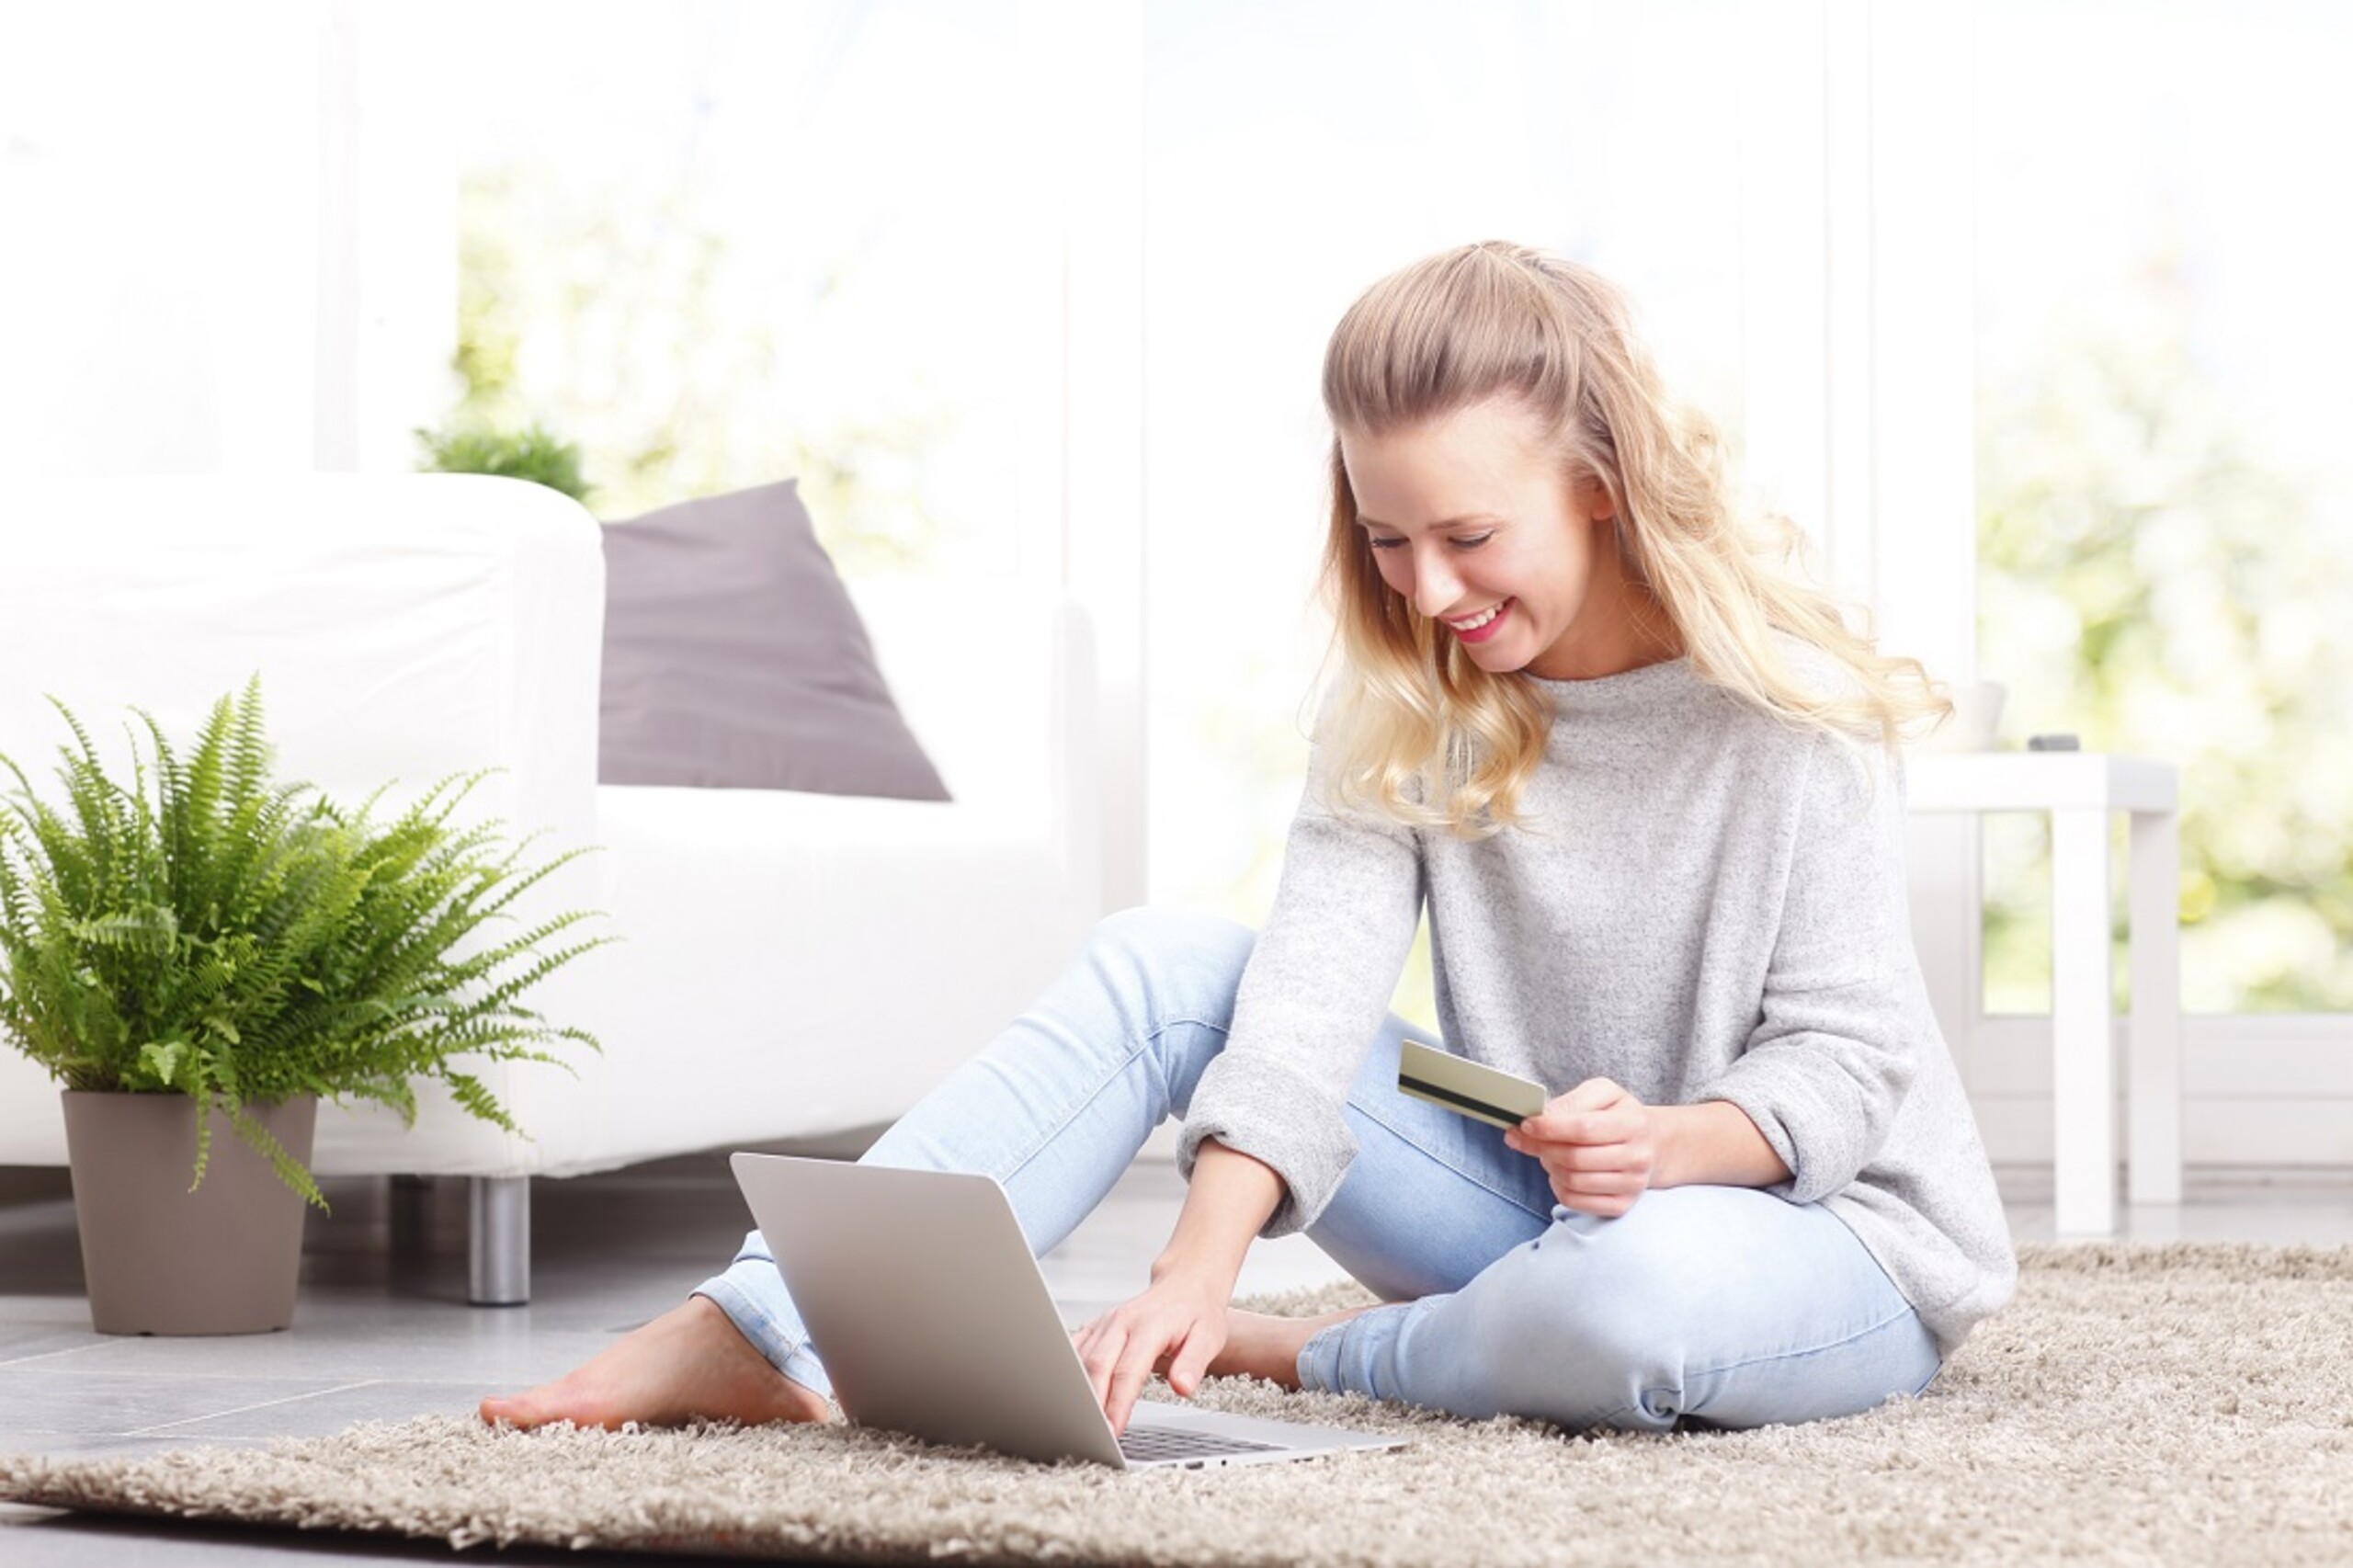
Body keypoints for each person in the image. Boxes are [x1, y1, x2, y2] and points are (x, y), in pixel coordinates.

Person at [481, 240, 2016, 1439]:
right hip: (1538, 1201)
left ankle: (1326, 1355)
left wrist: (1669, 1146)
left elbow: (1846, 1058)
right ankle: (760, 1325)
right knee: (1170, 963)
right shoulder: (1416, 688)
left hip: (1817, 1237)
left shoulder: (1786, 704)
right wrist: (1198, 1260)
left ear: (1601, 487)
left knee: (1635, 1302)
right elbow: (1311, 986)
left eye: (1469, 536)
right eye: (1386, 535)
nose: (1424, 587)